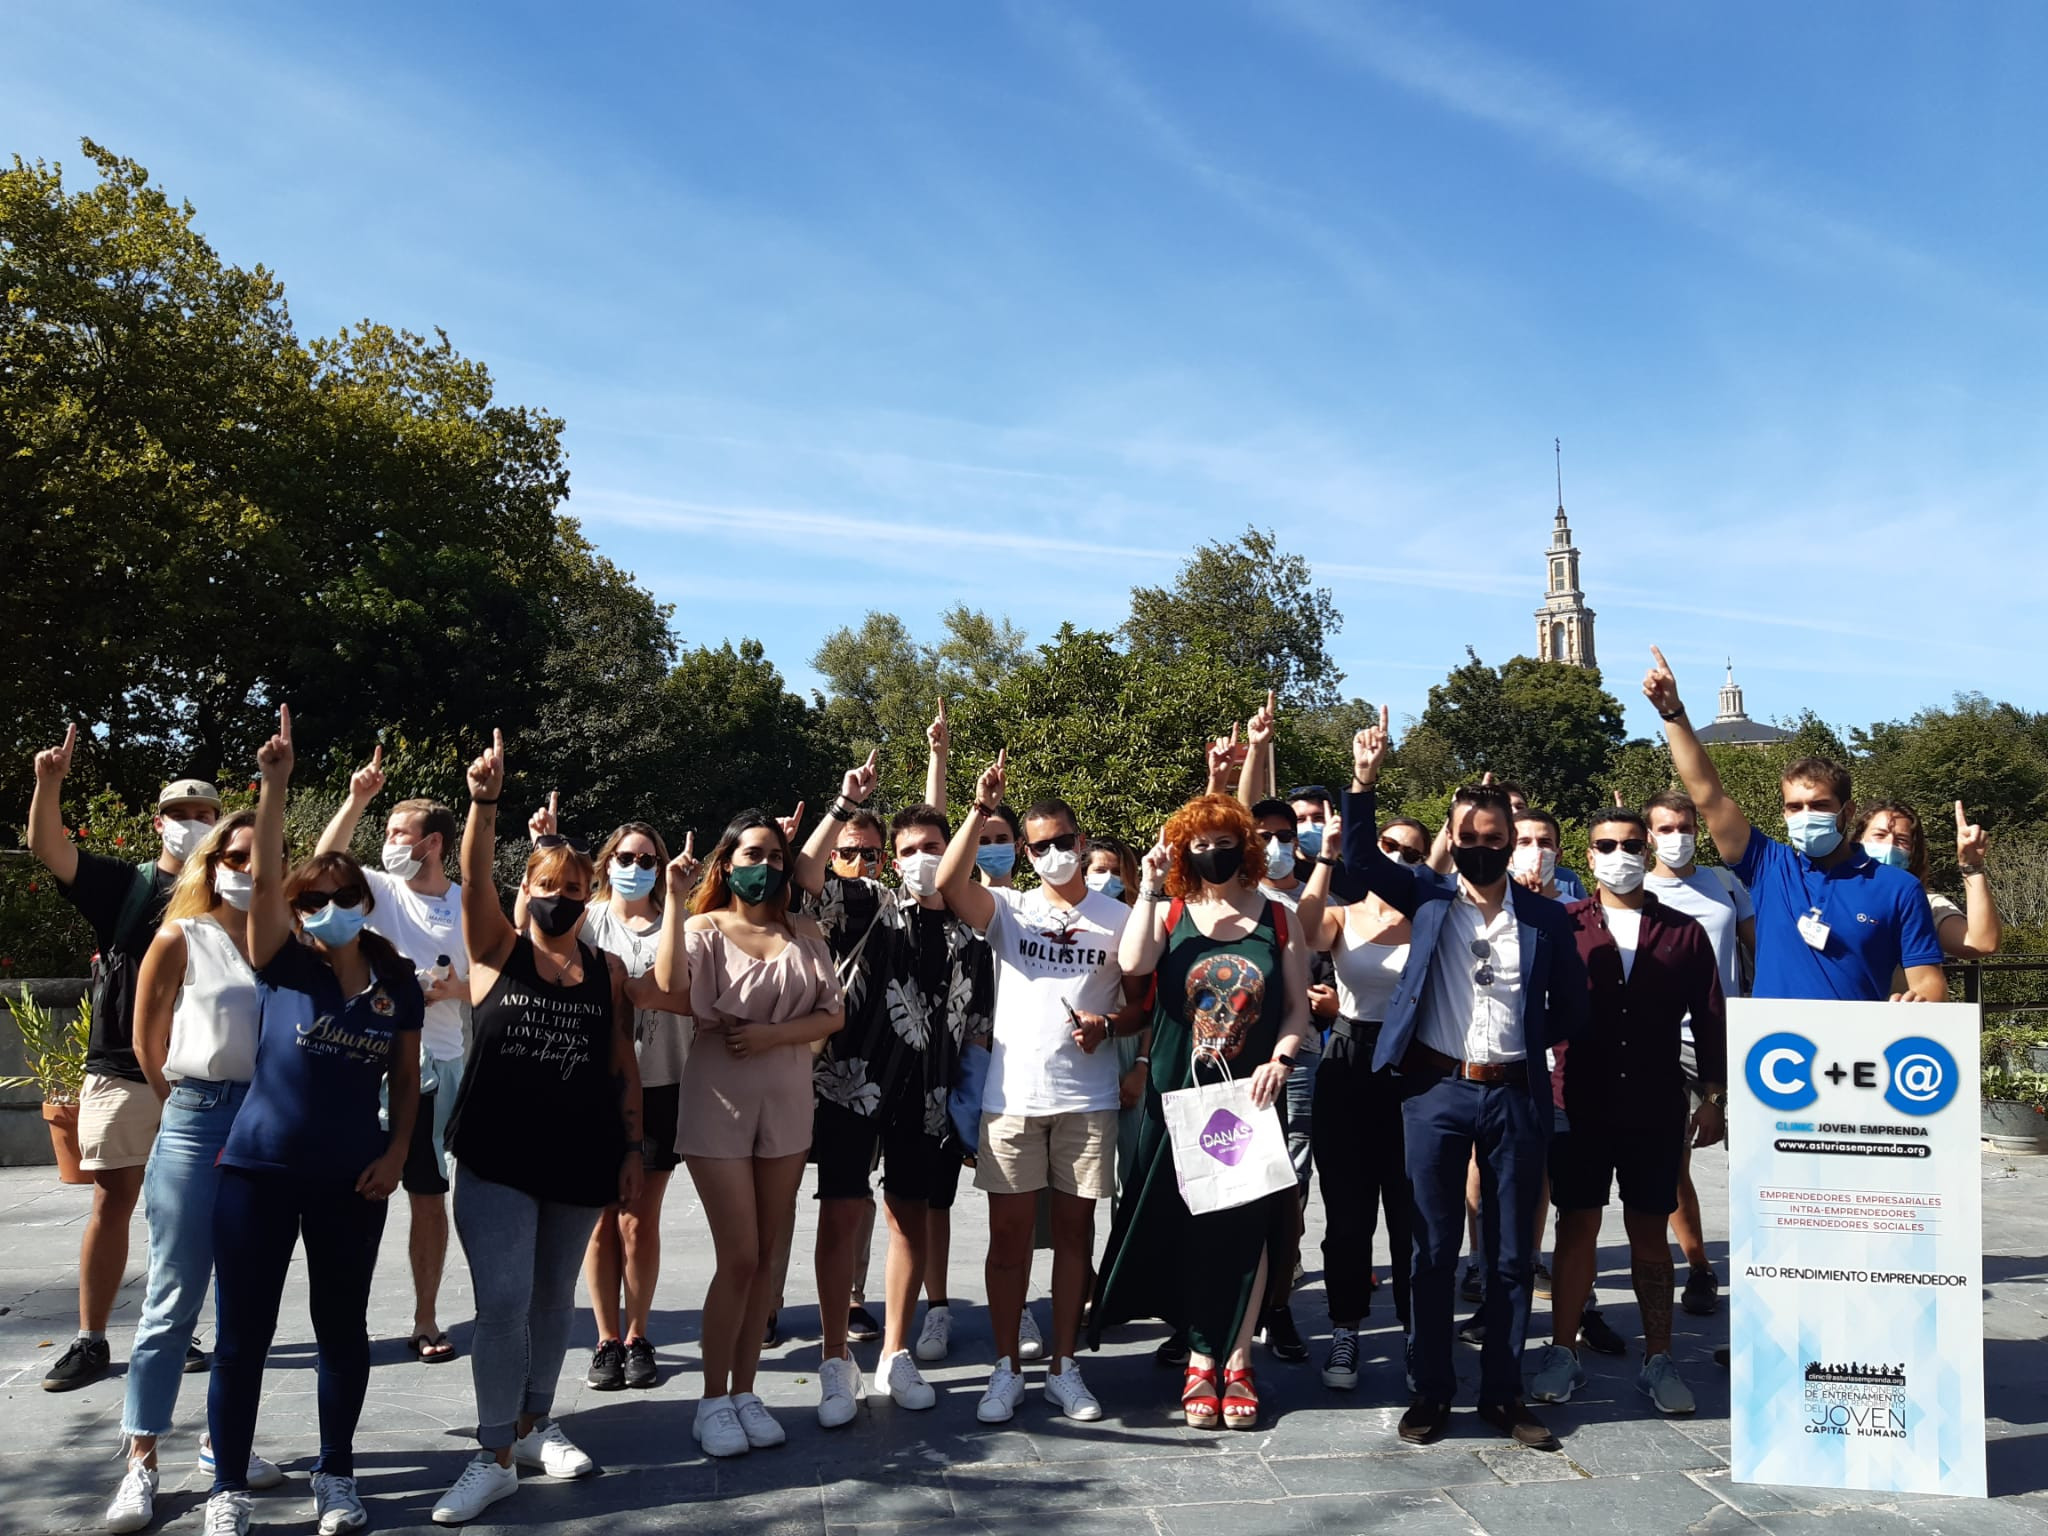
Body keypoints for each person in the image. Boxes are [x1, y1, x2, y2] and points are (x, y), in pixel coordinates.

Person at [1340, 706, 1588, 1452]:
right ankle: (1431, 1391)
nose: (1482, 849)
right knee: (1432, 1249)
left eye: (1494, 840)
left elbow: (1572, 1004)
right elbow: (1358, 862)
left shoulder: (1546, 920)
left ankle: (1504, 1396)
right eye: (1468, 839)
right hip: (1436, 1093)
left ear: (1512, 843)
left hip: (1514, 1092)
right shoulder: (1429, 896)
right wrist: (1364, 780)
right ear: (1453, 839)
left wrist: (1526, 1050)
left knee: (1511, 1256)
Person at [202, 706, 422, 1536]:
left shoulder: (394, 981)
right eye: (313, 897)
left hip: (351, 1177)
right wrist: (274, 785)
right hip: (255, 1173)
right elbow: (261, 883)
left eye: (340, 897)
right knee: (242, 1337)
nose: (325, 905)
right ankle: (227, 1484)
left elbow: (406, 1079)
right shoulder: (280, 961)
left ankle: (336, 1474)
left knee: (343, 1330)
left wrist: (399, 1150)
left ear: (363, 901)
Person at [428, 730, 655, 1526]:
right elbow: (470, 877)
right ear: (529, 888)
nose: (560, 894)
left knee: (553, 1299)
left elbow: (621, 1066)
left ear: (589, 895)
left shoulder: (607, 971)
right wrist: (483, 802)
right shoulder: (496, 950)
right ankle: (490, 1454)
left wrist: (631, 1149)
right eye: (547, 882)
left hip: (582, 1156)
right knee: (501, 1303)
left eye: (574, 884)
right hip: (496, 1155)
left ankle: (533, 1426)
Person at [1091, 794, 1313, 1430]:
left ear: (1243, 844)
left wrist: (1283, 1058)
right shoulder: (1171, 911)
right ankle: (1198, 1358)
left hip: (1249, 1097)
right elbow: (1132, 966)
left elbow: (1296, 1007)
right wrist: (1152, 887)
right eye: (1197, 841)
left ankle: (1238, 1358)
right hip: (1175, 1097)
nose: (1209, 851)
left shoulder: (1278, 919)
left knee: (1247, 1227)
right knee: (1185, 1223)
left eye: (1223, 839)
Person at [793, 737, 995, 1426]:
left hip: (930, 1096)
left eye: (929, 846)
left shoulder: (975, 938)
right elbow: (806, 876)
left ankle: (897, 1354)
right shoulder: (870, 907)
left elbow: (977, 1029)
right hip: (853, 1083)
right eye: (904, 849)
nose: (917, 861)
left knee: (909, 1219)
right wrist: (846, 804)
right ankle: (832, 1361)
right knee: (842, 1212)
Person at [935, 751, 1135, 1425]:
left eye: (1063, 842)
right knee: (1009, 1238)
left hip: (1088, 1099)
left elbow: (1141, 1002)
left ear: (1082, 843)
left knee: (1076, 1235)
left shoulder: (1118, 916)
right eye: (1039, 845)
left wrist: (1107, 1026)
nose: (1054, 853)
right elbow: (943, 880)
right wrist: (978, 810)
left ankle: (1064, 1367)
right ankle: (1004, 1369)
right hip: (1013, 1098)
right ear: (1024, 851)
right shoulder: (1009, 909)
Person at [110, 805, 293, 1533]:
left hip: (270, 1124)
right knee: (172, 1297)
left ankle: (225, 1448)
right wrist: (191, 1102)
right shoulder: (179, 937)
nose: (248, 869)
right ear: (213, 864)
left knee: (246, 1307)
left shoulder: (288, 944)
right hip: (198, 1116)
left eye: (261, 857)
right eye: (235, 856)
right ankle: (141, 1460)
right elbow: (146, 1041)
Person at [28, 725, 220, 1394]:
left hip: (202, 1075)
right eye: (180, 813)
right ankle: (91, 1339)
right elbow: (49, 849)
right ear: (158, 821)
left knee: (188, 1208)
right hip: (120, 1069)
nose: (191, 824)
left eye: (204, 814)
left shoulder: (230, 896)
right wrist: (49, 782)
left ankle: (177, 1327)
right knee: (113, 1200)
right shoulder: (123, 886)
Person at [654, 808, 844, 1459]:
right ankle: (711, 1400)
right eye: (751, 854)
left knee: (766, 1256)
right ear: (727, 862)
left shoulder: (805, 929)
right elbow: (669, 984)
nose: (763, 867)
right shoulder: (704, 928)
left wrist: (771, 1035)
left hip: (787, 1105)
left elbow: (832, 1014)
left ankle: (743, 1390)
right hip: (718, 1106)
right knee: (738, 1254)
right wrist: (676, 903)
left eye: (774, 856)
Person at [1528, 807, 1726, 1422]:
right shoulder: (1562, 926)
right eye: (1606, 844)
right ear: (1587, 855)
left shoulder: (1684, 932)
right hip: (1576, 1100)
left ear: (1649, 850)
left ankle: (1659, 1357)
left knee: (1649, 1229)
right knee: (1576, 1225)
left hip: (1654, 1102)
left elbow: (1712, 1017)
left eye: (1631, 843)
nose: (1620, 853)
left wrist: (1714, 1097)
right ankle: (1563, 1350)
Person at [1644, 649, 1945, 1003]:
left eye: (1819, 805)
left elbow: (1929, 982)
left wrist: (1920, 1000)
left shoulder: (1897, 887)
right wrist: (1672, 714)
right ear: (1784, 813)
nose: (1806, 815)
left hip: (1857, 1049)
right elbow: (1708, 795)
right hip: (1776, 1049)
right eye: (1795, 806)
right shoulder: (1768, 865)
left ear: (1847, 812)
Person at [314, 746, 469, 1364]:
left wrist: (447, 987)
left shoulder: (465, 902)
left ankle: (426, 1319)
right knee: (352, 1190)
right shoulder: (377, 890)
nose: (388, 844)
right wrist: (358, 799)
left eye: (399, 834)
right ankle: (343, 1322)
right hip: (364, 1060)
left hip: (439, 1061)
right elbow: (326, 864)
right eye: (384, 833)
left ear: (432, 843)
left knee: (429, 1194)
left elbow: (487, 974)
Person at [1298, 810, 1423, 1391]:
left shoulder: (1431, 917)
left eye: (1412, 852)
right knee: (1347, 1217)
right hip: (1348, 1063)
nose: (1399, 857)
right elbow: (1301, 932)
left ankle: (1416, 1334)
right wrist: (1326, 856)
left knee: (1412, 1215)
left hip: (1414, 1069)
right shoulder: (1343, 915)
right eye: (1388, 845)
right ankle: (1345, 1330)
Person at [577, 819, 699, 1393]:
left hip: (662, 1084)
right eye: (626, 856)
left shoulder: (681, 918)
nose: (636, 868)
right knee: (600, 1221)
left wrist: (676, 900)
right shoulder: (588, 919)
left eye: (648, 860)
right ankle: (605, 1338)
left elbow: (683, 988)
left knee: (638, 1219)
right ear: (607, 861)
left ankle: (638, 1334)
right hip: (595, 1085)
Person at [1643, 790, 1756, 1317]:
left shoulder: (1726, 884)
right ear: (1648, 836)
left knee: (1757, 1163)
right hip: (1667, 1045)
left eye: (1684, 825)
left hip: (1735, 1040)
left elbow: (1763, 947)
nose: (1676, 836)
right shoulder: (1635, 891)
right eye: (1664, 828)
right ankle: (1700, 1266)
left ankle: (1770, 1266)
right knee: (1673, 1163)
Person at [1855, 800, 2002, 964]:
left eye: (1902, 840)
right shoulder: (1830, 892)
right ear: (1858, 840)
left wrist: (1972, 867)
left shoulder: (1924, 905)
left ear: (1912, 853)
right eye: (1879, 835)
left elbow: (1982, 944)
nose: (1890, 845)